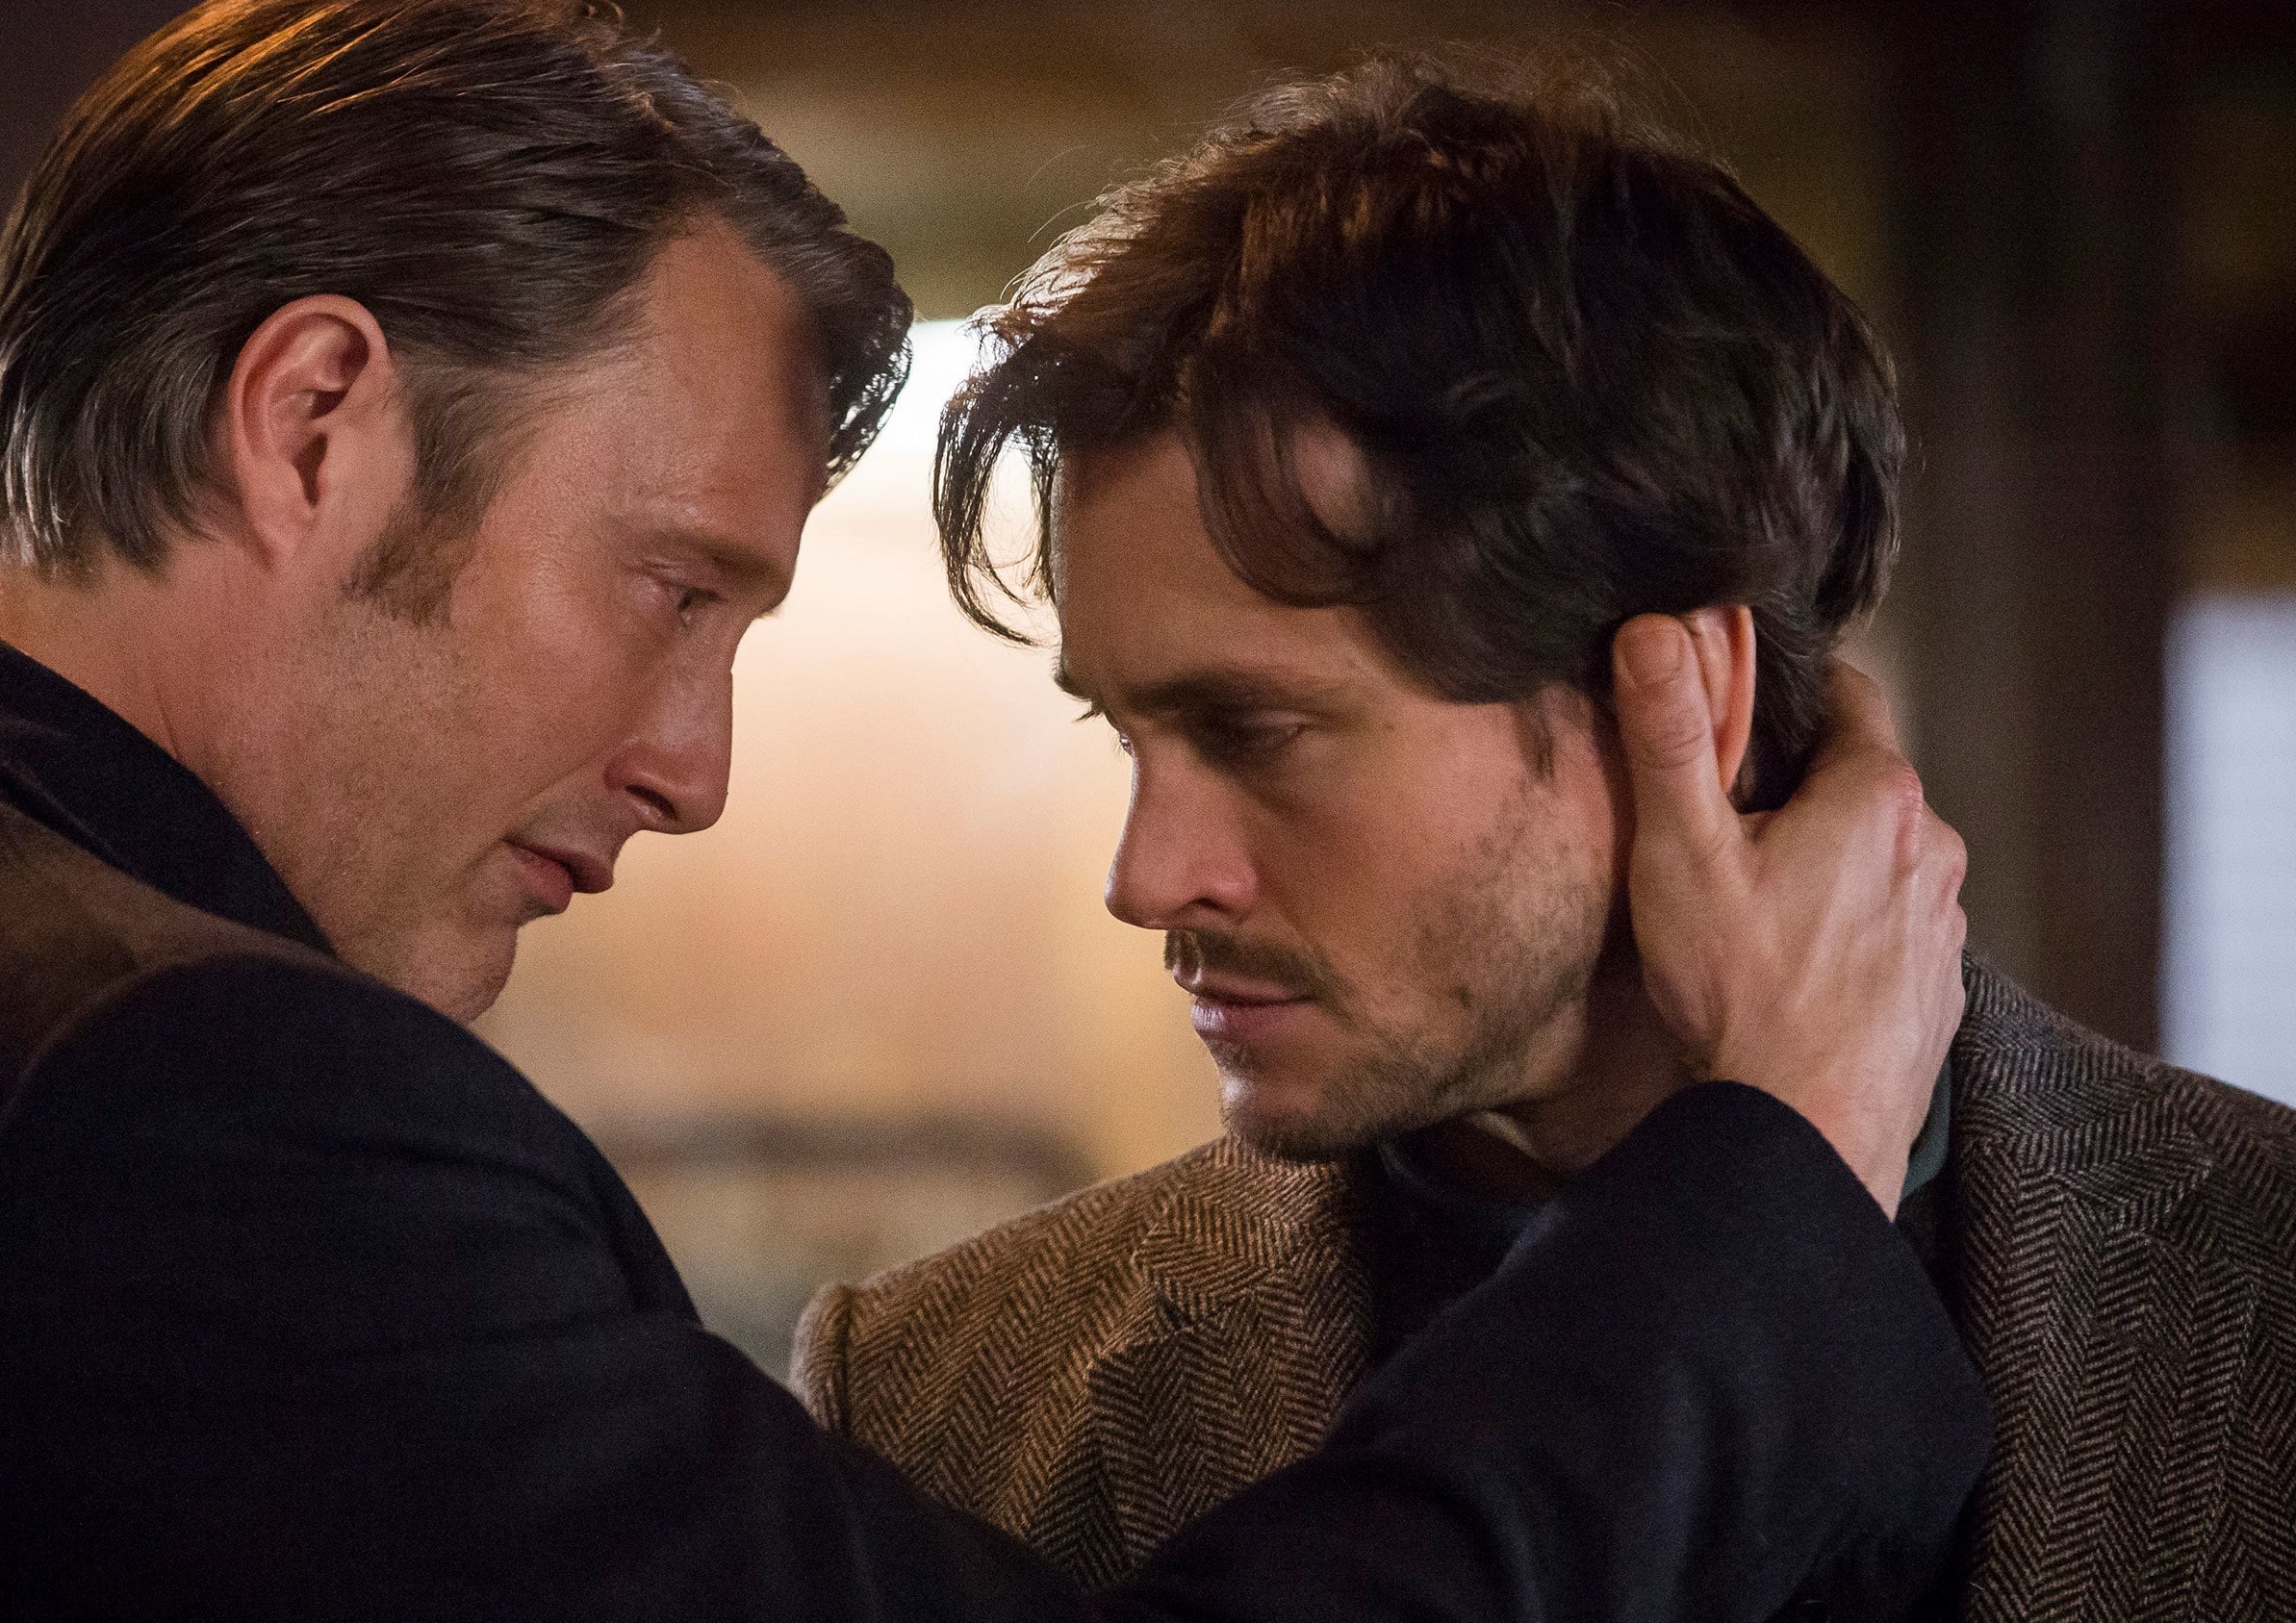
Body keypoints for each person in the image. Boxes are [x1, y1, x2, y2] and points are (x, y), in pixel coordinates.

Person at [0, 7, 1984, 1619]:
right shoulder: (166, 1104)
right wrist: (1767, 1188)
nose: (694, 767)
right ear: (315, 423)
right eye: (668, 589)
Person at [793, 56, 2296, 1623]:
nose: (1145, 877)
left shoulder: (2259, 1287)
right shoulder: (940, 1403)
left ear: (1687, 699)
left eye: (1256, 731)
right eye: (1126, 733)